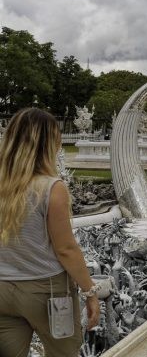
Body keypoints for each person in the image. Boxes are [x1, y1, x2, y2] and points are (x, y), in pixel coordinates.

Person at [0, 108, 100, 357]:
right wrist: (90, 292)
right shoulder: (51, 188)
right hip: (46, 290)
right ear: (48, 144)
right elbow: (66, 249)